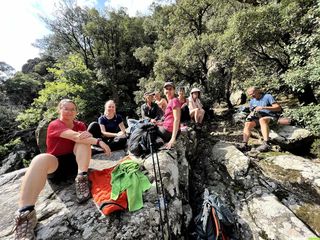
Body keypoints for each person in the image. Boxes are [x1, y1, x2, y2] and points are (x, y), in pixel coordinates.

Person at [12, 99, 111, 239]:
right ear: (59, 109)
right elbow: (74, 135)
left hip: (77, 164)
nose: (69, 112)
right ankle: (25, 214)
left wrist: (87, 138)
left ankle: (81, 178)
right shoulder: (54, 125)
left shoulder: (80, 124)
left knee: (82, 142)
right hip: (56, 165)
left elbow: (82, 139)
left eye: (72, 109)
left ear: (76, 111)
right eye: (66, 108)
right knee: (40, 159)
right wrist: (99, 141)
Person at [240, 86, 283, 152]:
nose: (251, 96)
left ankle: (266, 144)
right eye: (250, 95)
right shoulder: (252, 101)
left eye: (252, 94)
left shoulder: (268, 96)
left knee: (262, 120)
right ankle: (244, 144)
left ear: (257, 91)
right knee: (247, 124)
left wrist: (263, 107)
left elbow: (278, 107)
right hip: (259, 117)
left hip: (271, 117)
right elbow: (252, 110)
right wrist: (251, 113)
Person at [156, 82, 181, 149]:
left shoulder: (174, 100)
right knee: (154, 124)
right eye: (166, 89)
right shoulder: (170, 101)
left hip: (169, 132)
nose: (168, 91)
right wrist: (160, 123)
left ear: (174, 90)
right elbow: (170, 118)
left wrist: (173, 139)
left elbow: (177, 119)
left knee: (150, 128)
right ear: (164, 91)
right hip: (168, 129)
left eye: (170, 89)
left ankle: (160, 142)